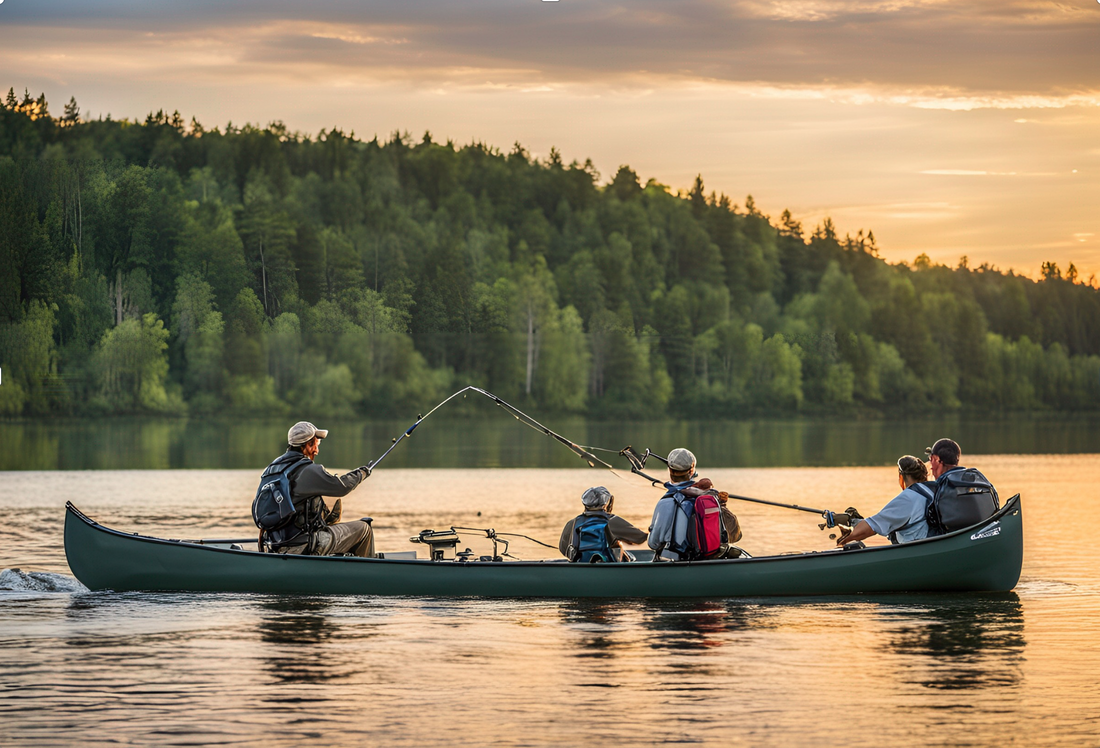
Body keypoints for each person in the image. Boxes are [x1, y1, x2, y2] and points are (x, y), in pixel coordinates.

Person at [260, 421, 376, 557]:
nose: (317, 450)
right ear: (309, 445)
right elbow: (340, 487)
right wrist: (362, 473)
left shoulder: (271, 469)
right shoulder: (308, 470)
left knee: (331, 527)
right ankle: (367, 570)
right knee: (363, 529)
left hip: (275, 544)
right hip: (303, 546)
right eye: (316, 444)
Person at [648, 448, 742, 560]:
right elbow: (735, 535)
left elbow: (653, 544)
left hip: (678, 562)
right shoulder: (710, 497)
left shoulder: (665, 503)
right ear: (692, 471)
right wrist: (720, 504)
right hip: (705, 559)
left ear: (670, 471)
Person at [836, 455, 934, 546]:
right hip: (928, 544)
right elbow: (888, 521)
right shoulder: (930, 491)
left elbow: (869, 529)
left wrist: (843, 541)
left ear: (901, 477)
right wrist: (855, 522)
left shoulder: (908, 498)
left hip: (914, 552)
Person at [559, 486, 647, 562]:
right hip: (607, 565)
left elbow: (563, 549)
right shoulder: (612, 520)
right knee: (630, 557)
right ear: (605, 504)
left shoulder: (573, 522)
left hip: (581, 564)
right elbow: (640, 538)